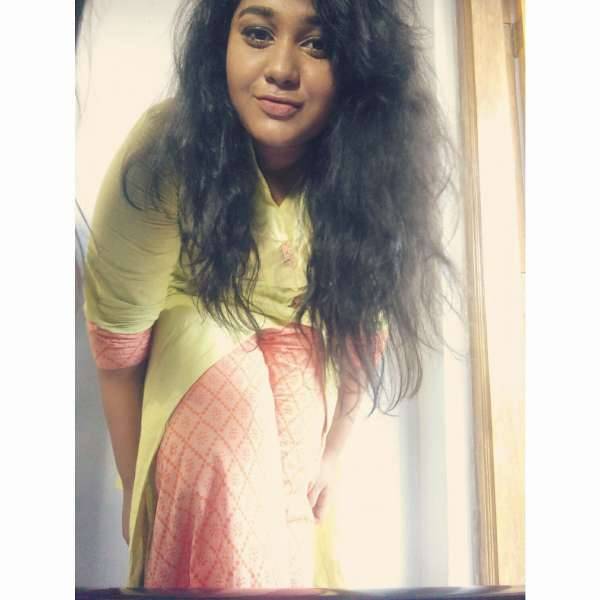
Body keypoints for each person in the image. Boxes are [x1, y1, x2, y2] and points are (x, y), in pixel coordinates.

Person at [83, 0, 454, 589]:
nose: (281, 69)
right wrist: (136, 488)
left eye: (317, 44)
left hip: (304, 359)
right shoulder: (166, 148)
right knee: (234, 416)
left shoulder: (371, 165)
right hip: (196, 340)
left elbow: (362, 329)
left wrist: (332, 454)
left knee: (294, 506)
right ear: (221, 43)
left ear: (358, 64)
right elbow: (119, 343)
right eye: (257, 33)